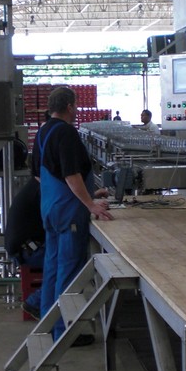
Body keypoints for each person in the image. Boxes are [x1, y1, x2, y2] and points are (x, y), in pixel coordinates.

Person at [32, 86, 112, 345]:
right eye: (75, 105)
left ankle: (47, 327)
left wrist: (87, 195)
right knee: (69, 273)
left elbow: (39, 174)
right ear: (69, 106)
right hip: (69, 213)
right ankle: (64, 333)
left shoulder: (43, 131)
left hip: (50, 209)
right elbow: (70, 174)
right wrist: (90, 204)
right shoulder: (66, 132)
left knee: (53, 270)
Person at [4, 176, 45, 319]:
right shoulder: (40, 190)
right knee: (70, 264)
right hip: (27, 251)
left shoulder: (34, 187)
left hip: (26, 248)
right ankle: (35, 302)